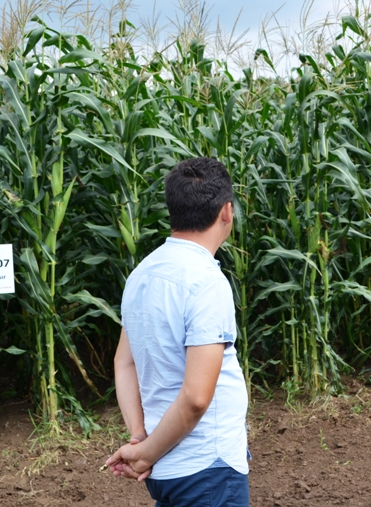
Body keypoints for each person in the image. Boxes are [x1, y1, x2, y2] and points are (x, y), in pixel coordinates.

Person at [106, 157, 250, 507]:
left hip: (168, 473)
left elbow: (124, 363)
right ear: (226, 211)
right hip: (208, 469)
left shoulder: (141, 274)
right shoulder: (207, 282)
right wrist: (145, 453)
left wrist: (139, 436)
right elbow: (196, 397)